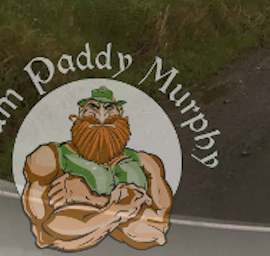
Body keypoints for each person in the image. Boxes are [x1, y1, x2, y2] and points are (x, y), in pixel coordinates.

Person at [21, 86, 173, 251]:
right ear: (80, 112)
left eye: (109, 108)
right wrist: (126, 207)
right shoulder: (50, 157)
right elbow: (46, 232)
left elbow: (158, 229)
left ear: (120, 112)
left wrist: (90, 199)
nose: (101, 116)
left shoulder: (147, 162)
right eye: (93, 107)